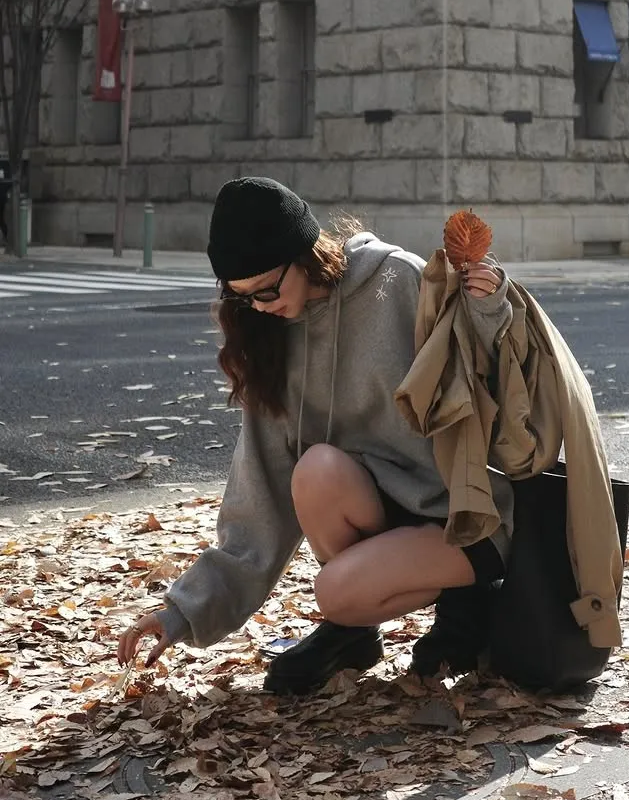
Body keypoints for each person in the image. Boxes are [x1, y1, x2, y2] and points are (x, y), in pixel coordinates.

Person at [117, 177, 514, 695]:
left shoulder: (396, 279)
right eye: (241, 297)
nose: (259, 307)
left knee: (333, 591)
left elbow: (488, 375)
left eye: (266, 290)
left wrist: (489, 305)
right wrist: (182, 611)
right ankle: (354, 635)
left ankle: (471, 601)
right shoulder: (268, 340)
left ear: (303, 255)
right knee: (314, 472)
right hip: (389, 512)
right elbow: (257, 496)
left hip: (467, 514)